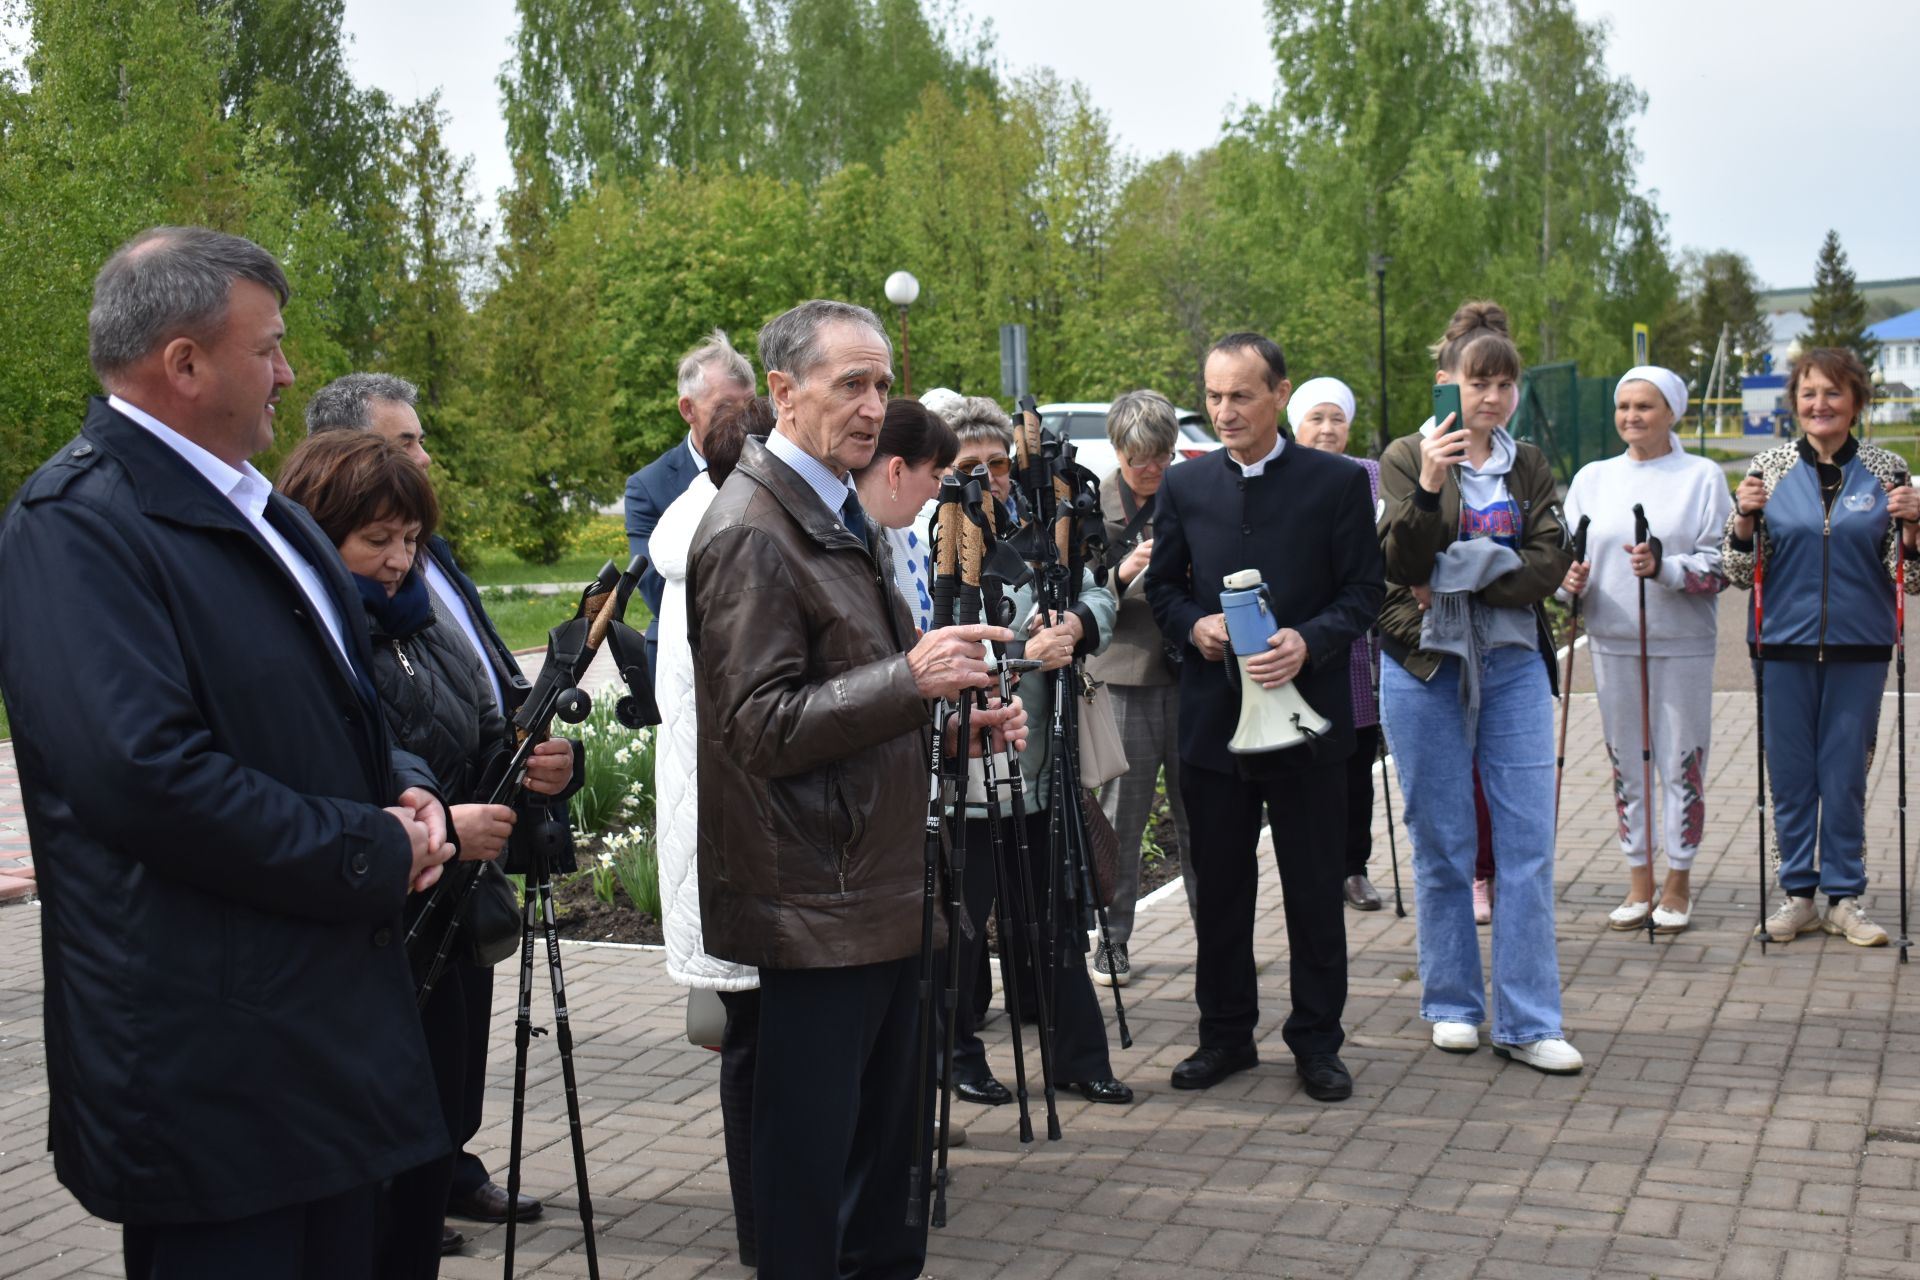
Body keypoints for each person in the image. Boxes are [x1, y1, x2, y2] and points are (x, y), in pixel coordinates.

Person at [0, 225, 455, 1277]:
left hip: (325, 1051)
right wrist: (373, 848)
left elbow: (348, 709)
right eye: (272, 347)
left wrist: (410, 787)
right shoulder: (76, 526)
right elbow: (144, 778)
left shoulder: (270, 519)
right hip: (211, 1073)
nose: (290, 373)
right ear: (186, 363)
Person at [687, 299, 1026, 1278]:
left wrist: (949, 720)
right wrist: (910, 678)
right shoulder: (754, 528)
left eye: (882, 383)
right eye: (852, 384)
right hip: (816, 908)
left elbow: (844, 702)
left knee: (885, 1197)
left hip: (879, 896)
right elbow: (757, 726)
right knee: (814, 1199)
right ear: (784, 394)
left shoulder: (832, 507)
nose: (876, 405)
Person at [277, 431, 575, 1278]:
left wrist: (542, 767)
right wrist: (441, 820)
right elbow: (337, 772)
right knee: (372, 1159)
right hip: (378, 917)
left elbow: (488, 734)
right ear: (317, 530)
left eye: (410, 540)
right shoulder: (317, 636)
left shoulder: (426, 626)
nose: (399, 561)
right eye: (377, 540)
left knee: (437, 1125)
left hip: (455, 914)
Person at [1146, 332, 1383, 1102]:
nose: (1224, 411)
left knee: (1315, 888)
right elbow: (1164, 591)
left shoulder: (1337, 482)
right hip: (1217, 726)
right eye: (1213, 397)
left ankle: (1317, 1041)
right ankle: (1225, 1037)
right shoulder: (1185, 487)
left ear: (1279, 394)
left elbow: (1362, 593)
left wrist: (1306, 642)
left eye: (1240, 395)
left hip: (1309, 723)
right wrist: (1196, 628)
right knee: (1218, 890)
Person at [1377, 300, 1580, 1074]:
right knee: (1444, 841)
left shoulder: (1527, 464)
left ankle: (1530, 1021)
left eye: (1504, 383)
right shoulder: (1407, 455)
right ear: (1448, 382)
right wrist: (1431, 487)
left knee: (1527, 845)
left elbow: (1547, 566)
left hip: (1515, 661)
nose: (1490, 397)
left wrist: (1465, 573)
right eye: (1477, 381)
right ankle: (1454, 1004)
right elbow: (1402, 565)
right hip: (1425, 664)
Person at [941, 408, 1133, 1108]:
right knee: (961, 930)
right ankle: (954, 1054)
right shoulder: (938, 539)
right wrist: (1021, 654)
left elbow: (1093, 592)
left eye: (996, 461)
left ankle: (1077, 1058)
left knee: (1055, 922)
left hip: (1042, 769)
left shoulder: (1041, 527)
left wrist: (1077, 624)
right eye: (969, 466)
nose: (988, 476)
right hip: (969, 776)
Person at [1723, 347, 1920, 946]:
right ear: (1795, 404)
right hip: (1782, 645)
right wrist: (1743, 521)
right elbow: (1736, 570)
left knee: (1845, 776)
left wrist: (1915, 530)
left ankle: (1844, 897)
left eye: (1833, 393)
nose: (1820, 404)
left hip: (1859, 647)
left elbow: (1910, 578)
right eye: (1809, 394)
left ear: (1857, 400)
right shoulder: (1770, 466)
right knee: (1788, 777)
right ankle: (1798, 895)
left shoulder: (1890, 471)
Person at [1559, 366, 1732, 935]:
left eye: (1645, 406)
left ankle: (1678, 881)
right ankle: (1639, 880)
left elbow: (1723, 566)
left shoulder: (1702, 476)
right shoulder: (1593, 478)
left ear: (1672, 412)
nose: (1632, 416)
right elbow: (1565, 554)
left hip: (1680, 642)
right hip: (1611, 640)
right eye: (1624, 406)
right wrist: (1569, 583)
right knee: (1625, 763)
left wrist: (1665, 568)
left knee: (1682, 764)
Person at [649, 397, 762, 1268]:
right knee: (752, 1043)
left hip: (735, 829)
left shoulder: (718, 532)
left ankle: (777, 1215)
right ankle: (768, 1225)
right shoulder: (726, 547)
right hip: (738, 832)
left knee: (756, 1037)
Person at [1087, 389, 1198, 987]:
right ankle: (1112, 941)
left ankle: (1218, 941)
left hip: (1190, 675)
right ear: (1117, 451)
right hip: (1124, 678)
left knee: (1200, 820)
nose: (1153, 470)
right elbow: (1069, 591)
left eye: (1163, 457)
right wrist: (1120, 571)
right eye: (1140, 460)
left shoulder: (1191, 494)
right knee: (1120, 823)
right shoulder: (1087, 503)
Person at [1291, 376, 1388, 912]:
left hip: (1355, 646)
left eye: (1337, 419)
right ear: (1297, 424)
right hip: (1297, 642)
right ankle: (1312, 865)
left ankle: (1354, 867)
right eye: (1316, 418)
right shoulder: (1288, 475)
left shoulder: (1371, 476)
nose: (1327, 429)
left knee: (1357, 766)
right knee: (1304, 763)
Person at [625, 329, 756, 676]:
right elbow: (655, 587)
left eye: (751, 406)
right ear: (688, 409)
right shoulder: (649, 486)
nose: (743, 421)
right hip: (685, 659)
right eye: (726, 408)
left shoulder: (773, 465)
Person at [852, 397, 959, 631]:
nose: (937, 490)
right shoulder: (846, 547)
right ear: (897, 471)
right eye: (936, 476)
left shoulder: (893, 537)